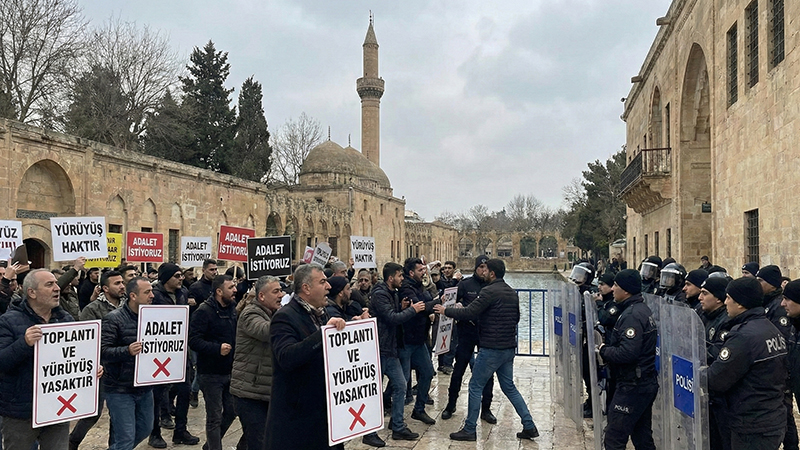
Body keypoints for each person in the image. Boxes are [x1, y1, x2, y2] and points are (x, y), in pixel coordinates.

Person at [436, 258, 539, 442]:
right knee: (509, 387)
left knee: (475, 386)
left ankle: (469, 429)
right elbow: (516, 318)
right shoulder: (511, 292)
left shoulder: (488, 291)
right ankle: (529, 425)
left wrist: (446, 311)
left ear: (492, 273)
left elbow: (469, 312)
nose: (483, 273)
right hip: (508, 348)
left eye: (486, 270)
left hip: (491, 347)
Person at [0, 269, 92, 450]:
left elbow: (76, 355)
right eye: (49, 284)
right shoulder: (8, 321)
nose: (57, 288)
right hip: (21, 411)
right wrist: (24, 343)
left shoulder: (65, 318)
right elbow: (3, 362)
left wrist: (89, 367)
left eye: (56, 283)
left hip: (56, 407)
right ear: (31, 292)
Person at [264, 263, 346, 450]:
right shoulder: (284, 317)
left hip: (323, 418)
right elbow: (287, 357)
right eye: (323, 282)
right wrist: (323, 334)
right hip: (297, 421)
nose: (329, 286)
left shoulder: (322, 314)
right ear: (306, 288)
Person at [708, 277, 787, 449]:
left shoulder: (742, 336)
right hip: (771, 418)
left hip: (751, 423)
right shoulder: (770, 329)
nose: (725, 302)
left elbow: (716, 379)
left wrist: (699, 372)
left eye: (728, 298)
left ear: (741, 303)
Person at [597, 269, 658, 450]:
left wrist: (604, 350)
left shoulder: (632, 315)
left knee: (614, 438)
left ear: (626, 290)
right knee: (642, 437)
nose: (612, 289)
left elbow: (627, 353)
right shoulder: (639, 309)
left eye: (616, 285)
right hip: (642, 382)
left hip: (633, 385)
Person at [69, 270, 126, 450]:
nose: (122, 286)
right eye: (117, 283)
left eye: (122, 282)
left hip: (123, 365)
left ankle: (114, 446)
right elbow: (83, 340)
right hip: (101, 367)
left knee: (117, 413)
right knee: (93, 412)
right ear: (105, 289)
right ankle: (73, 441)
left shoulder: (129, 306)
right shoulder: (92, 309)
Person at [368, 262, 423, 445]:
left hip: (390, 349)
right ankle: (369, 432)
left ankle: (398, 426)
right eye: (400, 276)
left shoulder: (393, 293)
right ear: (391, 278)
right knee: (374, 392)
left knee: (401, 384)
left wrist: (401, 306)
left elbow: (392, 314)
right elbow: (391, 318)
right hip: (380, 349)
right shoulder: (380, 294)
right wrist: (411, 310)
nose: (402, 279)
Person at [102, 277, 155, 450]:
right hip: (120, 388)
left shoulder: (154, 317)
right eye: (147, 292)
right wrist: (127, 351)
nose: (152, 296)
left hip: (145, 386)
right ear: (133, 296)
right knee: (125, 438)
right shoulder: (114, 319)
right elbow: (103, 352)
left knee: (145, 429)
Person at [441, 255, 495, 423]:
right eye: (481, 267)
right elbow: (451, 302)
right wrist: (456, 306)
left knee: (487, 372)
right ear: (475, 268)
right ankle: (451, 405)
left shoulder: (492, 286)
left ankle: (486, 408)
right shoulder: (465, 284)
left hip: (486, 333)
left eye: (486, 268)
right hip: (467, 331)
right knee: (459, 369)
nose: (483, 271)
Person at [149, 263, 199, 447]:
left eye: (181, 275)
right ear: (166, 278)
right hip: (160, 353)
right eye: (177, 275)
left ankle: (180, 430)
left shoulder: (183, 293)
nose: (181, 278)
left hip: (180, 350)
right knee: (158, 393)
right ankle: (155, 432)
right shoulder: (154, 296)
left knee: (184, 390)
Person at [189, 275, 240, 450]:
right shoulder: (204, 311)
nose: (235, 290)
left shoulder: (232, 308)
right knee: (214, 417)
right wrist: (216, 348)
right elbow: (194, 340)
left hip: (229, 370)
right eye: (231, 287)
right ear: (219, 291)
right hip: (210, 373)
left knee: (232, 411)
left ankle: (210, 445)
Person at [231, 276, 282, 450]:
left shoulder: (274, 313)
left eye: (281, 290)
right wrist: (290, 318)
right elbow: (266, 331)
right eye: (275, 291)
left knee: (256, 439)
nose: (281, 295)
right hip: (249, 393)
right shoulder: (250, 313)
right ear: (261, 296)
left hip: (266, 391)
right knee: (259, 442)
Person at [397, 258, 438, 426]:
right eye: (420, 270)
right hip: (407, 340)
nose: (424, 272)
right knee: (402, 381)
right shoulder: (406, 288)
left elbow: (427, 301)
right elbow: (421, 306)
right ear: (411, 272)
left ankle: (419, 409)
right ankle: (396, 419)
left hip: (419, 339)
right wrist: (437, 302)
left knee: (428, 372)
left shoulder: (421, 285)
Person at [698, 276, 730, 450]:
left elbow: (716, 353)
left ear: (718, 298)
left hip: (722, 397)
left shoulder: (725, 321)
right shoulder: (704, 316)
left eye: (704, 293)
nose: (699, 297)